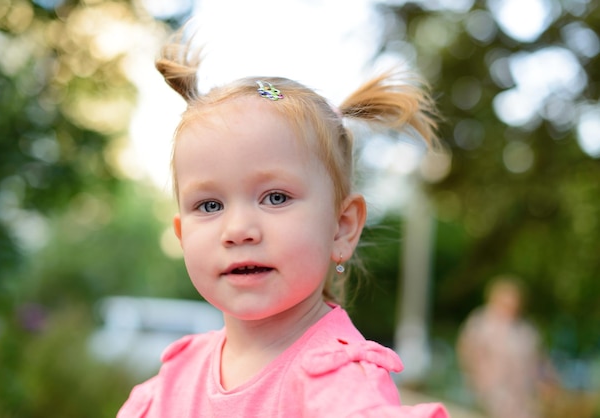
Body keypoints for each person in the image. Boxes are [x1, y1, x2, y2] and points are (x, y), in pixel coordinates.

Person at [117, 27, 449, 418]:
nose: (238, 229)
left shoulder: (338, 388)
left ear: (341, 228)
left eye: (275, 198)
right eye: (209, 206)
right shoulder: (175, 378)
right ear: (181, 235)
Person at [457, 275, 543, 418]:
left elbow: (538, 361)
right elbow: (466, 351)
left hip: (521, 395)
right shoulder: (480, 322)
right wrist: (477, 380)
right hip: (489, 391)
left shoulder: (525, 329)